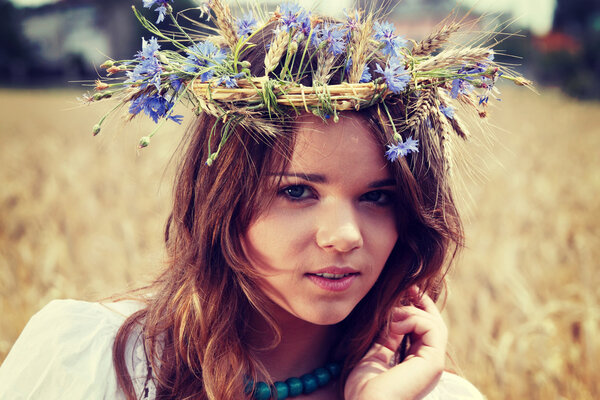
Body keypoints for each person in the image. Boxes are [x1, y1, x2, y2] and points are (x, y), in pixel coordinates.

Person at [0, 1, 529, 398]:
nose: (344, 235)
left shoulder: (430, 393)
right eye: (297, 191)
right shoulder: (87, 362)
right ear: (222, 198)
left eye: (379, 197)